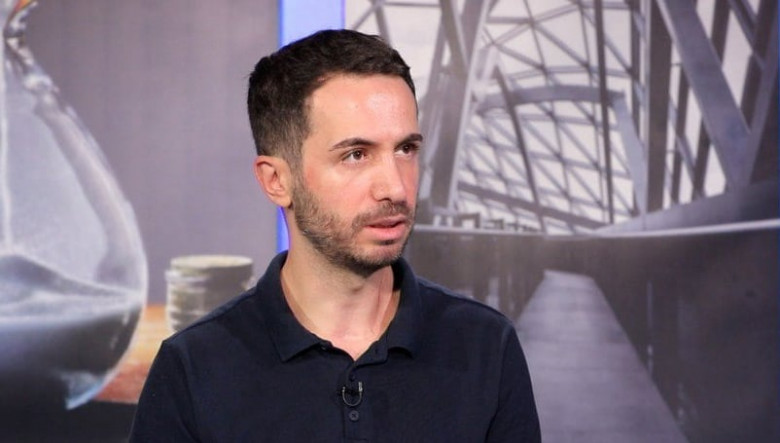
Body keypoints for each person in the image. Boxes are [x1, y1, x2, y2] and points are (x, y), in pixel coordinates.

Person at [130, 29, 540, 442]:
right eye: (356, 155)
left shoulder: (486, 346)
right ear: (276, 181)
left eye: (406, 149)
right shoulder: (194, 369)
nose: (396, 188)